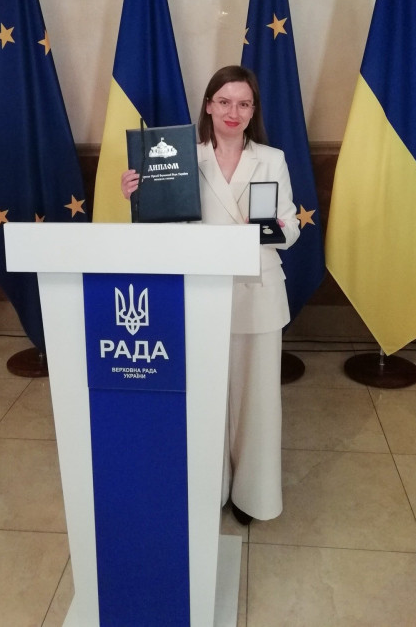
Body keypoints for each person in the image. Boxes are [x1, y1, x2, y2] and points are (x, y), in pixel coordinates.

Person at [121, 65, 300, 524]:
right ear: (208, 105)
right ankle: (210, 488)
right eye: (224, 101)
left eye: (243, 103)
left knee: (257, 403)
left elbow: (291, 227)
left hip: (257, 293)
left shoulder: (272, 158)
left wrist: (265, 229)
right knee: (204, 399)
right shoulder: (183, 157)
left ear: (253, 110)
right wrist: (138, 197)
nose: (232, 111)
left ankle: (253, 494)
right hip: (201, 294)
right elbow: (163, 226)